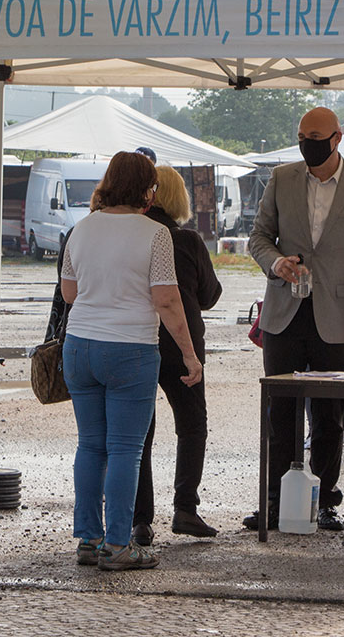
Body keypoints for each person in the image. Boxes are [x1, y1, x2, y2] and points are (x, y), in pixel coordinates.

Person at [245, 106, 344, 532]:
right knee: (280, 412)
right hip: (284, 312)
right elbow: (258, 237)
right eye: (302, 135)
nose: (308, 142)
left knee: (329, 416)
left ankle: (323, 501)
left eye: (316, 135)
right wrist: (276, 264)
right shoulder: (281, 178)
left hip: (339, 317)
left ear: (337, 138)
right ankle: (273, 502)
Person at [59, 152, 202, 572]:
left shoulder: (80, 230)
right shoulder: (155, 234)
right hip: (130, 348)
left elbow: (69, 293)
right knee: (125, 449)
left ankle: (89, 538)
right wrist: (190, 355)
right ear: (147, 190)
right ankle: (119, 545)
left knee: (90, 445)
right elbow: (166, 299)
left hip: (80, 346)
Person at [131, 166, 222, 546]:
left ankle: (139, 519)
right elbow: (210, 295)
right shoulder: (186, 240)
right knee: (192, 425)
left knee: (140, 433)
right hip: (183, 344)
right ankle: (186, 507)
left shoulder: (134, 237)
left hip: (138, 340)